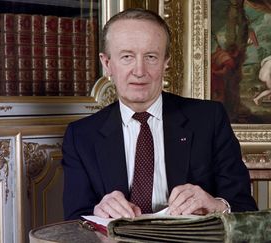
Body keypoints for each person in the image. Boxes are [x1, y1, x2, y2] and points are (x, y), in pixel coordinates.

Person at [61, 8, 257, 220]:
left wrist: (216, 205)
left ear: (166, 62)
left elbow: (245, 207)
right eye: (127, 56)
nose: (139, 71)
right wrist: (96, 213)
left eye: (151, 57)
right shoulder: (81, 136)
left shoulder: (209, 119)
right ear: (107, 64)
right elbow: (75, 220)